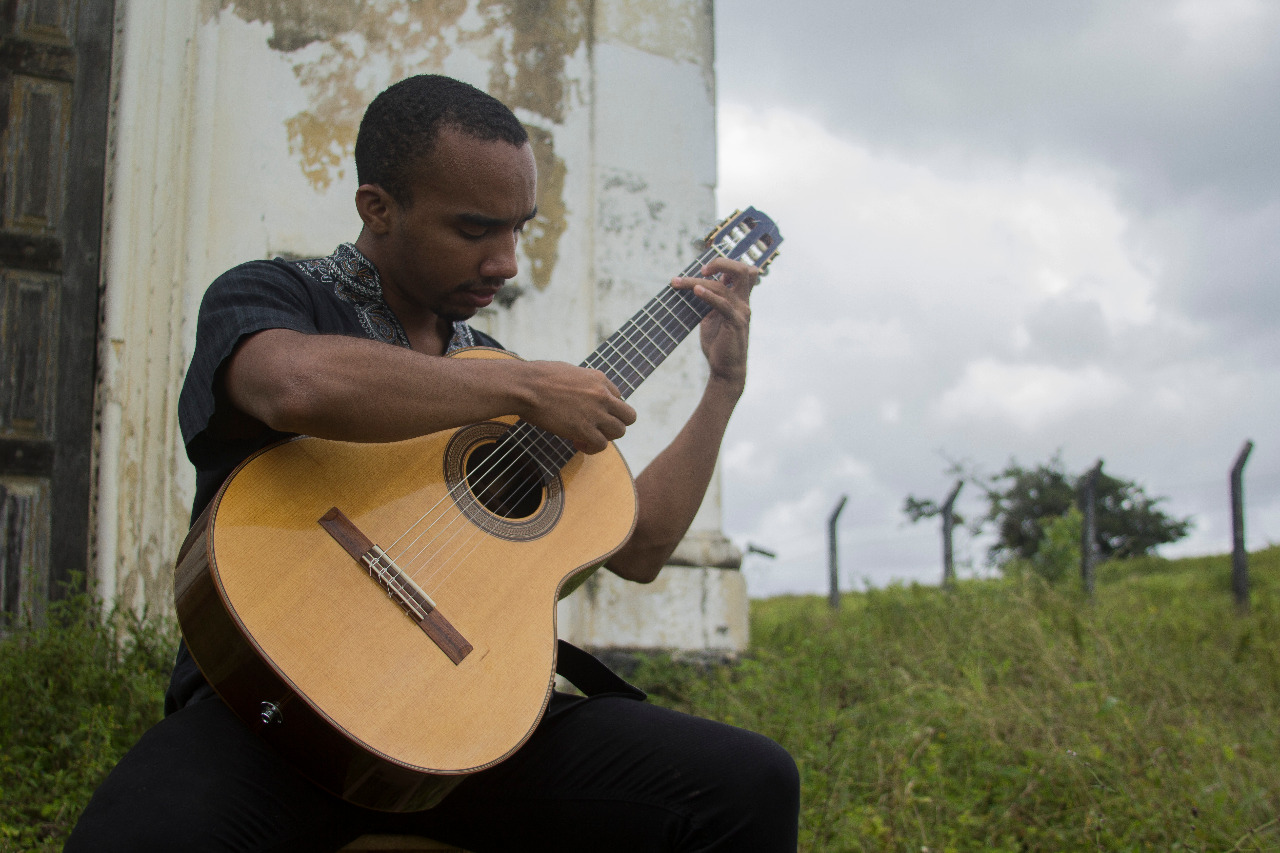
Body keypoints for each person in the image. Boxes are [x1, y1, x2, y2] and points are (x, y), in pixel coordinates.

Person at [67, 74, 799, 852]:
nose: (507, 261)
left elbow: (644, 547)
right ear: (377, 207)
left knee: (748, 780)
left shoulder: (506, 384)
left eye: (520, 228)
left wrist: (721, 387)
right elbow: (290, 384)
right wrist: (516, 382)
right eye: (476, 229)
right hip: (267, 710)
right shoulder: (278, 294)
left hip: (464, 730)